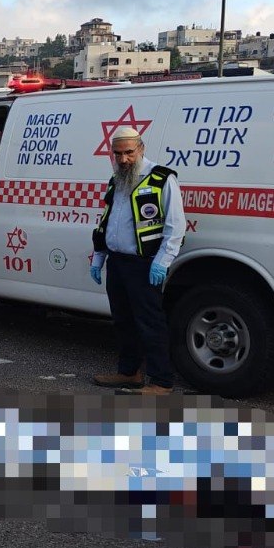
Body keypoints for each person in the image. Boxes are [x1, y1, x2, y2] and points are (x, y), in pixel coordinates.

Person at [90, 126, 185, 396]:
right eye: (118, 153)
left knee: (149, 323)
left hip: (144, 264)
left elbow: (176, 226)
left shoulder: (161, 179)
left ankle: (161, 381)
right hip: (117, 262)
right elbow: (107, 221)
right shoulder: (117, 179)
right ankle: (129, 372)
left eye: (129, 153)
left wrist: (162, 261)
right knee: (123, 321)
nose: (123, 159)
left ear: (141, 148)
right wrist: (99, 257)